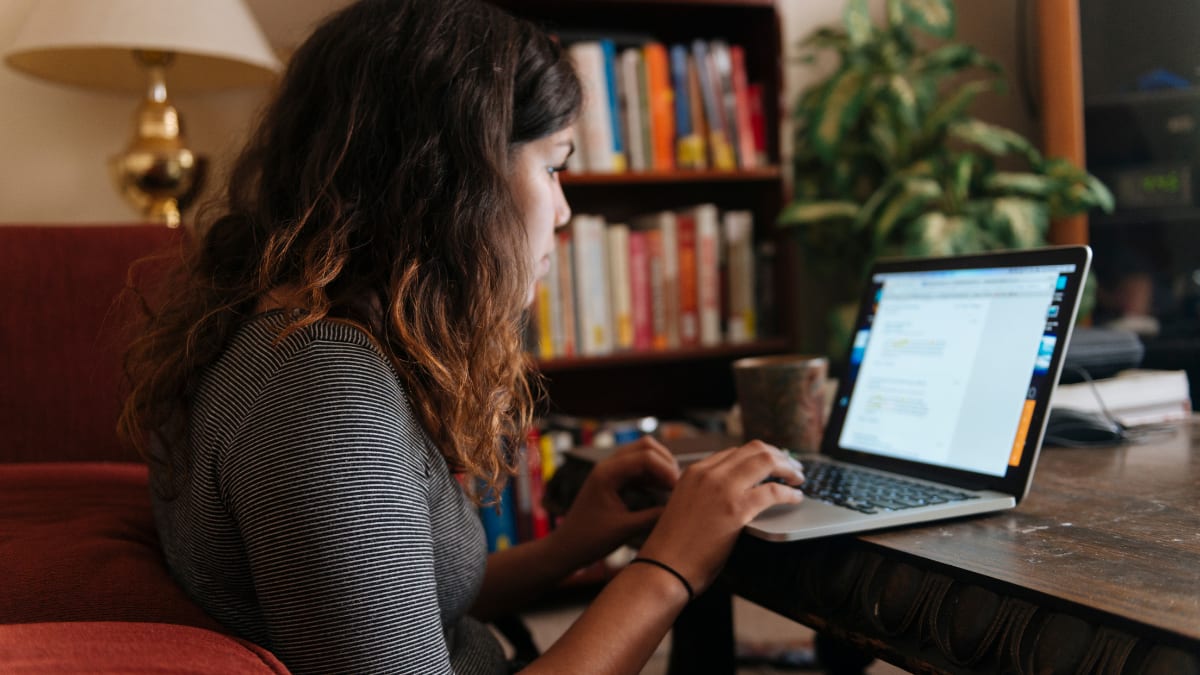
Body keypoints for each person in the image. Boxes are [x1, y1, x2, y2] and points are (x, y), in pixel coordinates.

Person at [118, 1, 805, 673]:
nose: (564, 211)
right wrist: (672, 566)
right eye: (553, 165)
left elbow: (398, 608)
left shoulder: (284, 338)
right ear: (452, 179)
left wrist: (570, 544)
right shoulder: (324, 398)